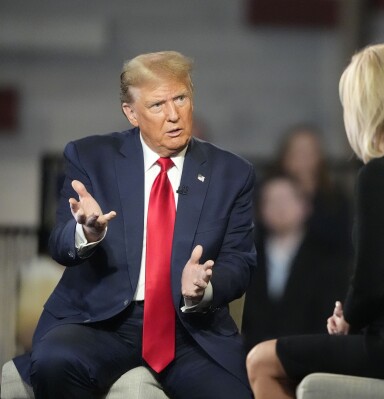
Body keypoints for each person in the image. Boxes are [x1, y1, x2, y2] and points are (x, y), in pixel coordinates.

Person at [12, 51, 256, 398]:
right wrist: (87, 233)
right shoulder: (91, 157)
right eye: (157, 105)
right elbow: (59, 244)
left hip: (188, 330)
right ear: (131, 113)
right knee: (55, 361)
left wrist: (205, 287)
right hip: (101, 323)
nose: (174, 115)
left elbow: (240, 262)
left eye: (181, 99)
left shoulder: (232, 173)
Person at [246, 43, 384, 398]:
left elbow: (368, 284)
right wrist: (352, 312)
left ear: (368, 108)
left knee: (261, 360)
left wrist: (348, 317)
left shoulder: (379, 175)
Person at [242, 174, 349, 350]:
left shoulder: (328, 257)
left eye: (286, 199)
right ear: (260, 210)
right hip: (253, 355)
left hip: (309, 355)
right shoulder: (246, 255)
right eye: (271, 201)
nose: (279, 207)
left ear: (305, 206)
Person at [272, 124, 352, 255]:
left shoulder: (335, 199)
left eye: (309, 152)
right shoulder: (271, 193)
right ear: (285, 157)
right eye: (297, 152)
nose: (303, 159)